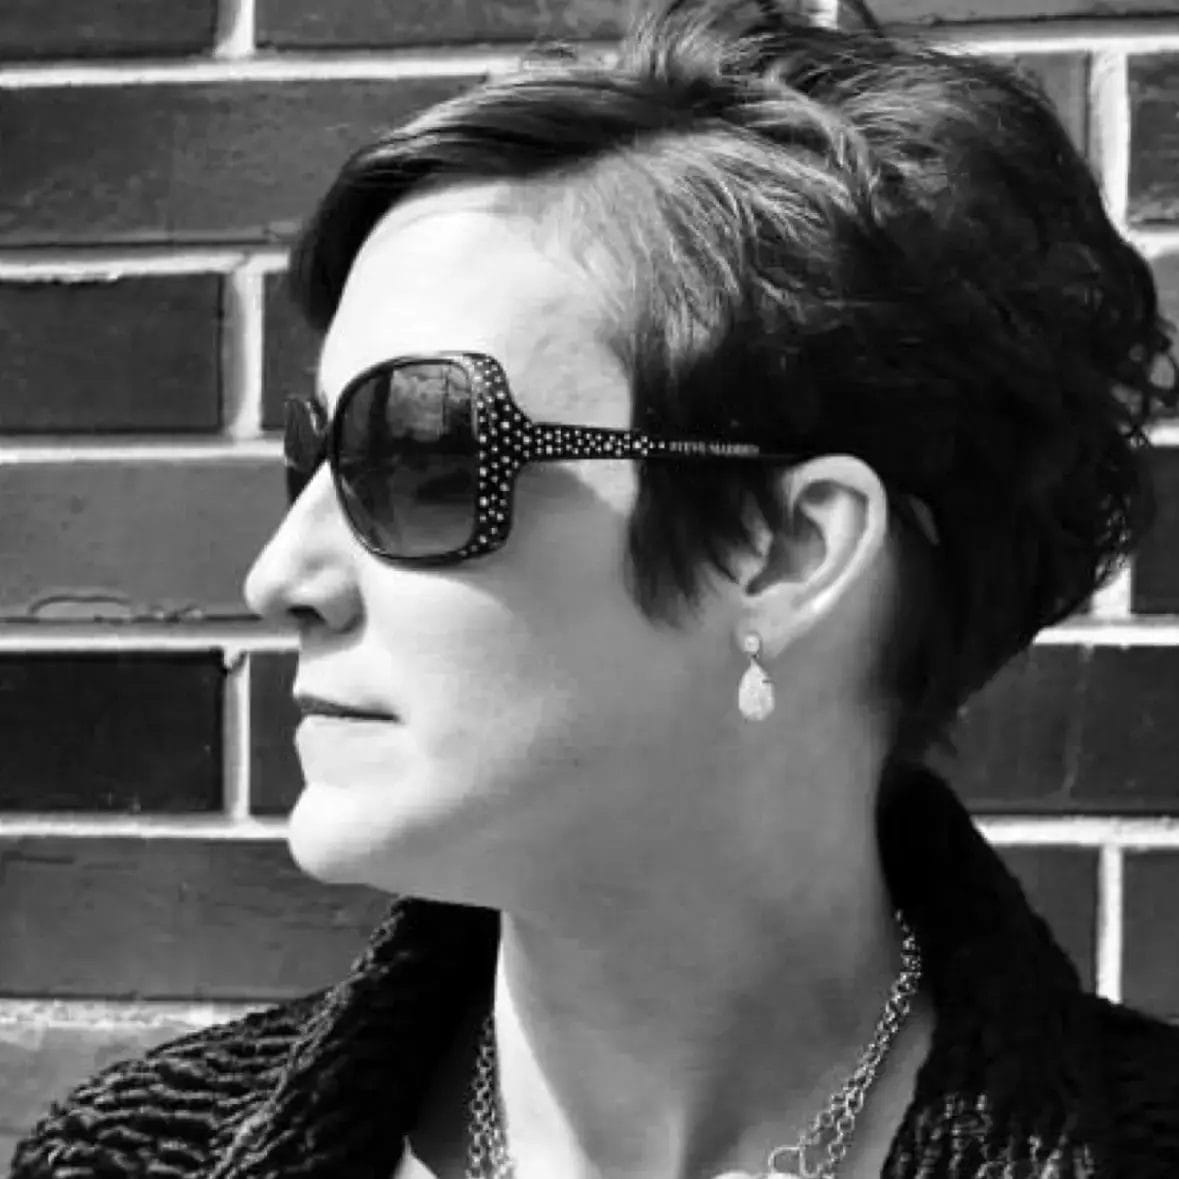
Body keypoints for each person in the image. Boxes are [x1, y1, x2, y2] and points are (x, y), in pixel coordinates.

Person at [13, 0, 1179, 1176]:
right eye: (314, 453)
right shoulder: (133, 1159)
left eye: (416, 450)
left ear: (789, 551)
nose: (283, 578)